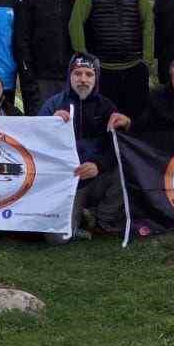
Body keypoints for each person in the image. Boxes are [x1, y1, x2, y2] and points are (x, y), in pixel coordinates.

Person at [40, 53, 129, 241]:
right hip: (64, 182)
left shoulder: (106, 106)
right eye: (77, 74)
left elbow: (117, 146)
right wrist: (48, 125)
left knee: (126, 170)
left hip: (95, 178)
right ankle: (78, 220)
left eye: (89, 74)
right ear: (69, 76)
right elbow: (36, 143)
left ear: (96, 78)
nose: (83, 79)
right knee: (56, 239)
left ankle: (102, 218)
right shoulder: (53, 104)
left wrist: (98, 165)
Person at [69, 0, 154, 117]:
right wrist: (85, 57)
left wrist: (147, 58)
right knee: (104, 118)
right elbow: (76, 23)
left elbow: (148, 22)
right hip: (103, 67)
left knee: (136, 117)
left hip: (135, 65)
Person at [14, 0, 76, 112]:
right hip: (40, 78)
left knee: (70, 129)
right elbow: (22, 40)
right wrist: (28, 76)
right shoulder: (31, 1)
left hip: (72, 77)